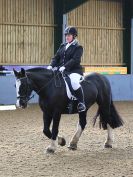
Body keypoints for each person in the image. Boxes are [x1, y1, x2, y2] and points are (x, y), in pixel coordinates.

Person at [47, 26, 86, 112]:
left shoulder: (78, 47)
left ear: (74, 36)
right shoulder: (63, 45)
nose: (67, 37)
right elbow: (56, 57)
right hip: (62, 70)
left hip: (74, 71)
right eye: (66, 35)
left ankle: (81, 103)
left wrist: (65, 66)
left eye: (69, 35)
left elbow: (75, 60)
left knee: (74, 82)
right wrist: (51, 65)